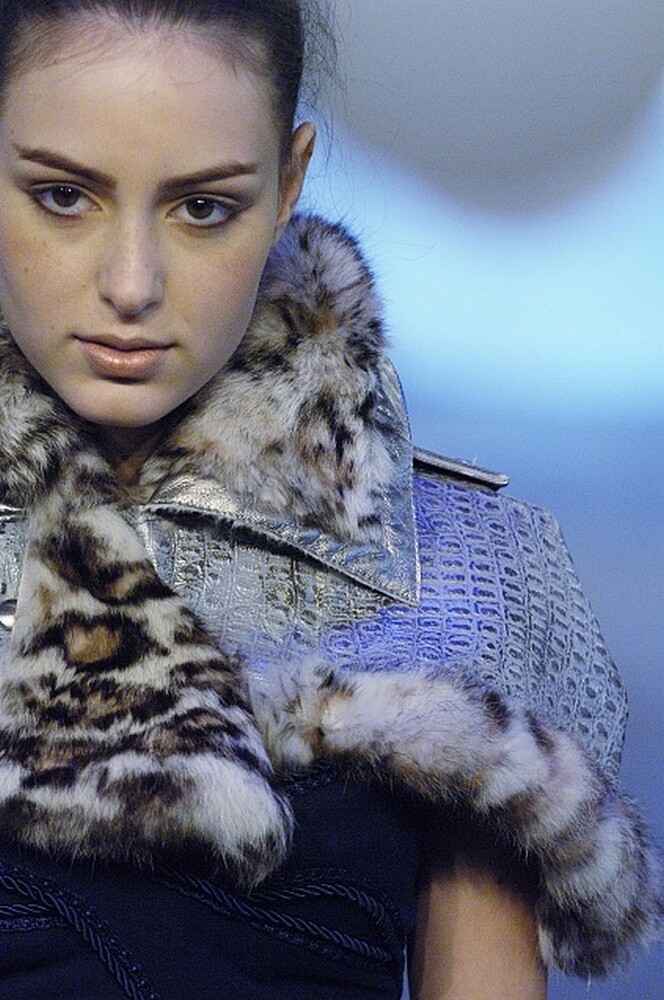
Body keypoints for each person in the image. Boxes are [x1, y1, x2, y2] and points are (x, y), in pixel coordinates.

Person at [0, 2, 660, 998]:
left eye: (203, 207)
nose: (130, 285)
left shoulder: (456, 578)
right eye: (63, 195)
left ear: (289, 183)